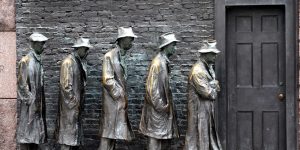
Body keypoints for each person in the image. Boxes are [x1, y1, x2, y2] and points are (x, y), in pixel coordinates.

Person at [139, 33, 179, 150]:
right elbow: (152, 89)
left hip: (161, 108)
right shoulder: (158, 63)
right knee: (154, 136)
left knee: (159, 136)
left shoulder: (163, 61)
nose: (175, 48)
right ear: (166, 46)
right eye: (173, 45)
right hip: (157, 108)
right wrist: (161, 106)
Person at [99, 27, 137, 150]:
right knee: (108, 134)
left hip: (118, 103)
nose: (132, 42)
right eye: (129, 39)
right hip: (112, 102)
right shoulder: (109, 56)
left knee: (113, 134)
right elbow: (107, 79)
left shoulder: (122, 56)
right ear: (121, 40)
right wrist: (120, 94)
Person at [184, 40, 222, 150]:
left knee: (204, 137)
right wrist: (213, 87)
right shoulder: (198, 71)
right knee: (196, 137)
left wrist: (213, 86)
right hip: (198, 111)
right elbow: (209, 93)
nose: (215, 56)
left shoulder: (208, 68)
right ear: (205, 54)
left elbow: (215, 87)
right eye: (213, 53)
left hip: (205, 110)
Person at [57, 37, 92, 150]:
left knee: (74, 138)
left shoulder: (79, 62)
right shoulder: (68, 62)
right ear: (79, 48)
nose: (87, 52)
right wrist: (74, 102)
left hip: (76, 106)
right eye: (85, 49)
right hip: (70, 107)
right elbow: (66, 86)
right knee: (67, 138)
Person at [17, 32, 48, 150]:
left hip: (38, 104)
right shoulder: (26, 61)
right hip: (30, 104)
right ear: (33, 44)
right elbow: (21, 84)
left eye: (43, 44)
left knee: (36, 133)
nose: (43, 46)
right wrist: (30, 100)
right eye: (41, 44)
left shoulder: (38, 61)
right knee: (26, 132)